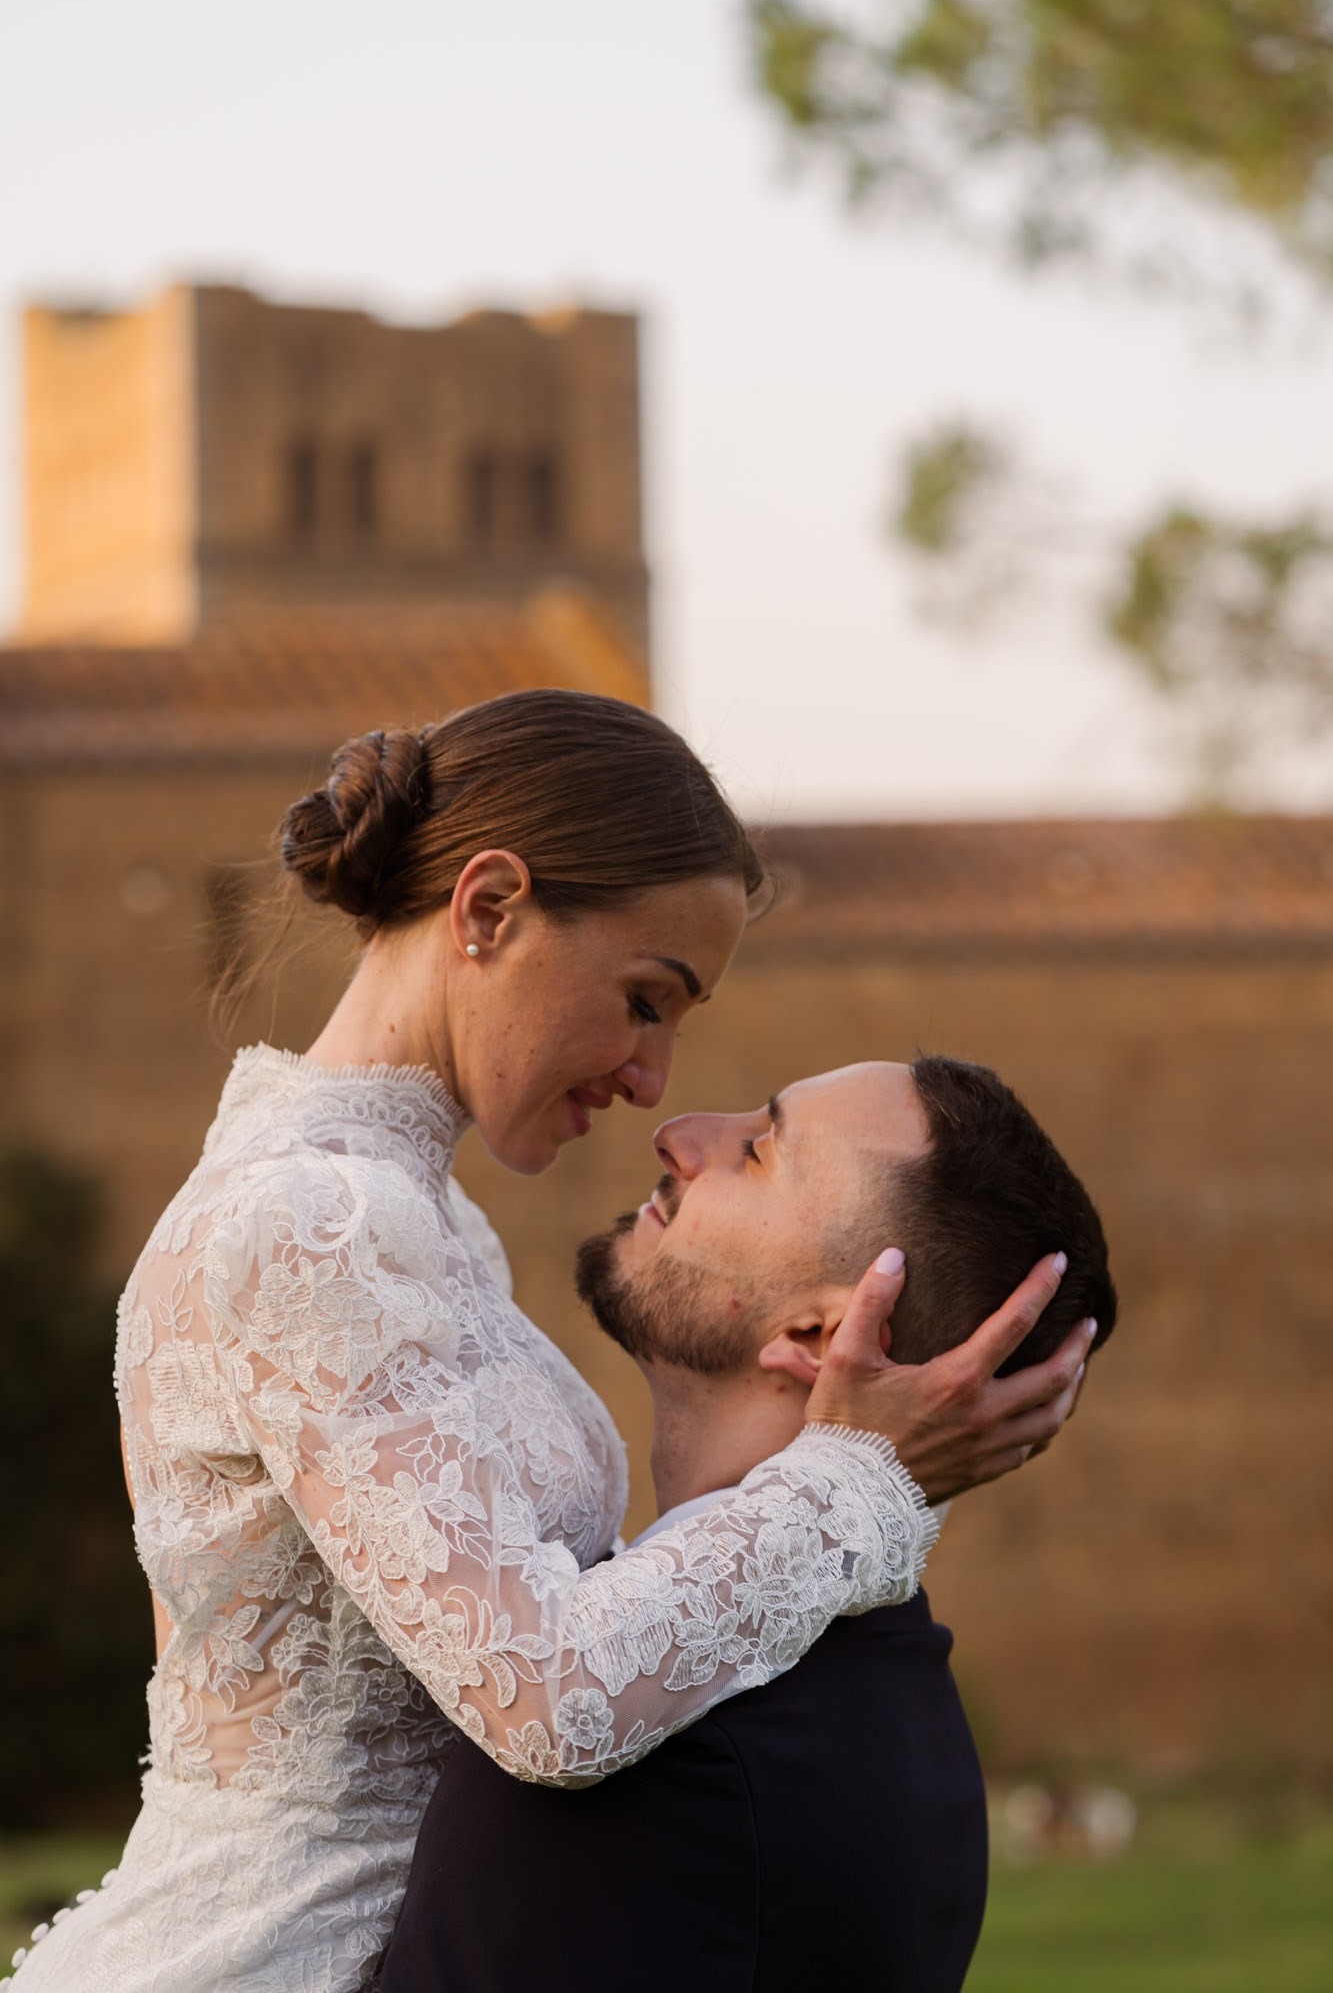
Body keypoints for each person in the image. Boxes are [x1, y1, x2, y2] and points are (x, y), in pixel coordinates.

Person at [7, 694, 1088, 1993]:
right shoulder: (310, 1223)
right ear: (488, 909)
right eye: (644, 999)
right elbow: (552, 1700)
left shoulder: (418, 1218)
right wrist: (861, 1475)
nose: (652, 1078)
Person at [381, 1055, 1114, 1992]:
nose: (680, 1135)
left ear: (821, 1334)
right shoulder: (890, 1703)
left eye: (760, 1149)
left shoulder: (657, 1741)